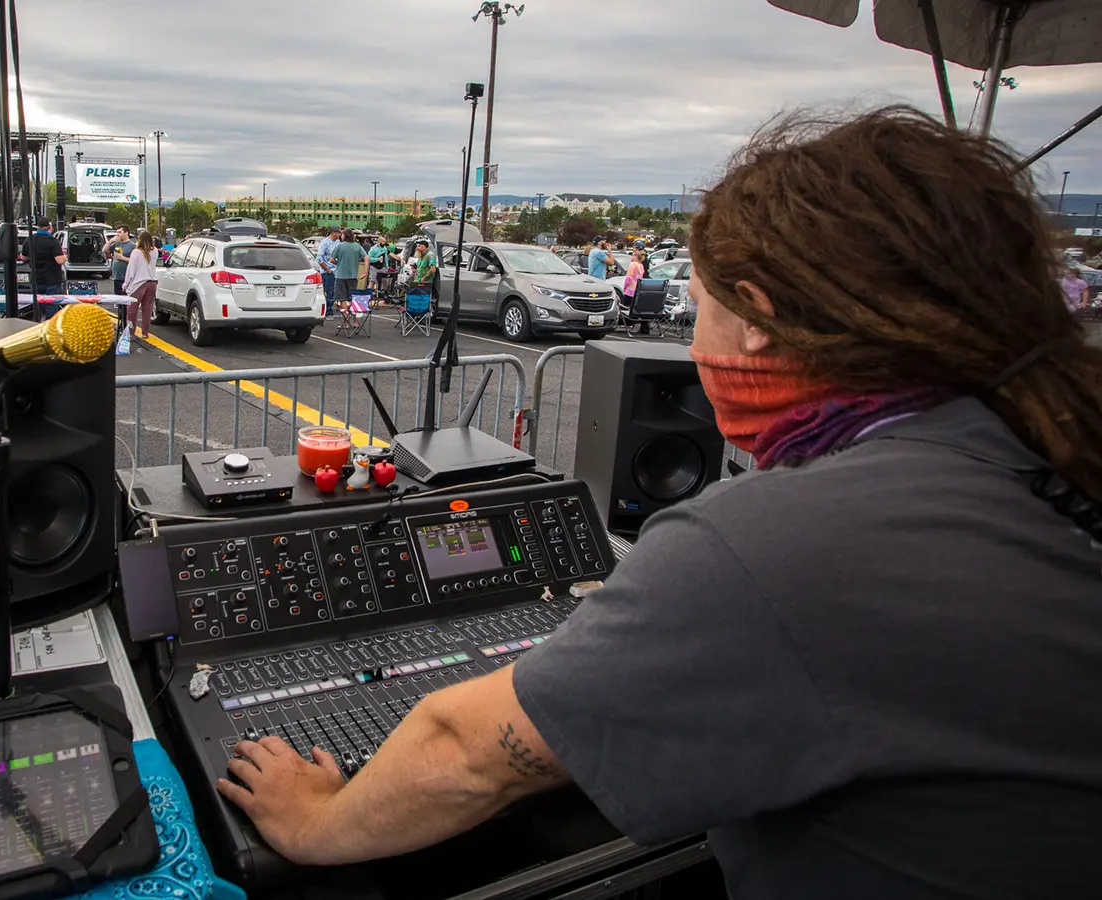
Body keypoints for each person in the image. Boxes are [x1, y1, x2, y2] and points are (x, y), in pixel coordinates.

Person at [215, 107, 1102, 899]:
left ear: (754, 315)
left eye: (702, 308)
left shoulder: (773, 545)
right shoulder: (1046, 448)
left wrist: (315, 824)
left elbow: (464, 751)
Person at [23, 216, 67, 320]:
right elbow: (59, 260)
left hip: (36, 278)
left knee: (37, 304)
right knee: (51, 305)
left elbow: (24, 257)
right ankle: (49, 327)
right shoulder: (52, 241)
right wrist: (65, 257)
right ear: (49, 227)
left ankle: (36, 325)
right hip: (51, 279)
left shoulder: (29, 240)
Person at [122, 230, 157, 348]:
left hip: (138, 284)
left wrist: (125, 285)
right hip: (152, 283)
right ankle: (145, 333)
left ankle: (131, 333)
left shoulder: (136, 252)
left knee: (132, 310)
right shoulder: (155, 251)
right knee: (147, 310)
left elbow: (131, 271)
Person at [330, 229, 368, 311]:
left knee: (342, 299)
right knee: (352, 297)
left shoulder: (339, 246)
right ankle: (354, 319)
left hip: (340, 276)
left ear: (345, 236)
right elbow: (366, 258)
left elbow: (331, 260)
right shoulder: (357, 247)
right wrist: (365, 272)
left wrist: (339, 263)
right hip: (353, 276)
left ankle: (346, 318)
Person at [104, 226, 135, 296]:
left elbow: (135, 261)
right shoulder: (117, 244)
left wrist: (123, 258)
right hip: (116, 276)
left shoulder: (132, 246)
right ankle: (119, 307)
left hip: (126, 277)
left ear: (126, 233)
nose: (118, 234)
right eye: (117, 232)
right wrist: (110, 241)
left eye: (120, 232)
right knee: (118, 298)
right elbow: (104, 250)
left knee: (124, 298)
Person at [316, 227, 342, 301]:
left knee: (333, 292)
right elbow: (319, 258)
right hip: (328, 272)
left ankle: (330, 309)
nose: (340, 235)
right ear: (333, 233)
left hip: (336, 271)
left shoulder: (338, 242)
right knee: (328, 292)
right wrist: (326, 269)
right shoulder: (325, 242)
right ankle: (328, 310)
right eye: (338, 233)